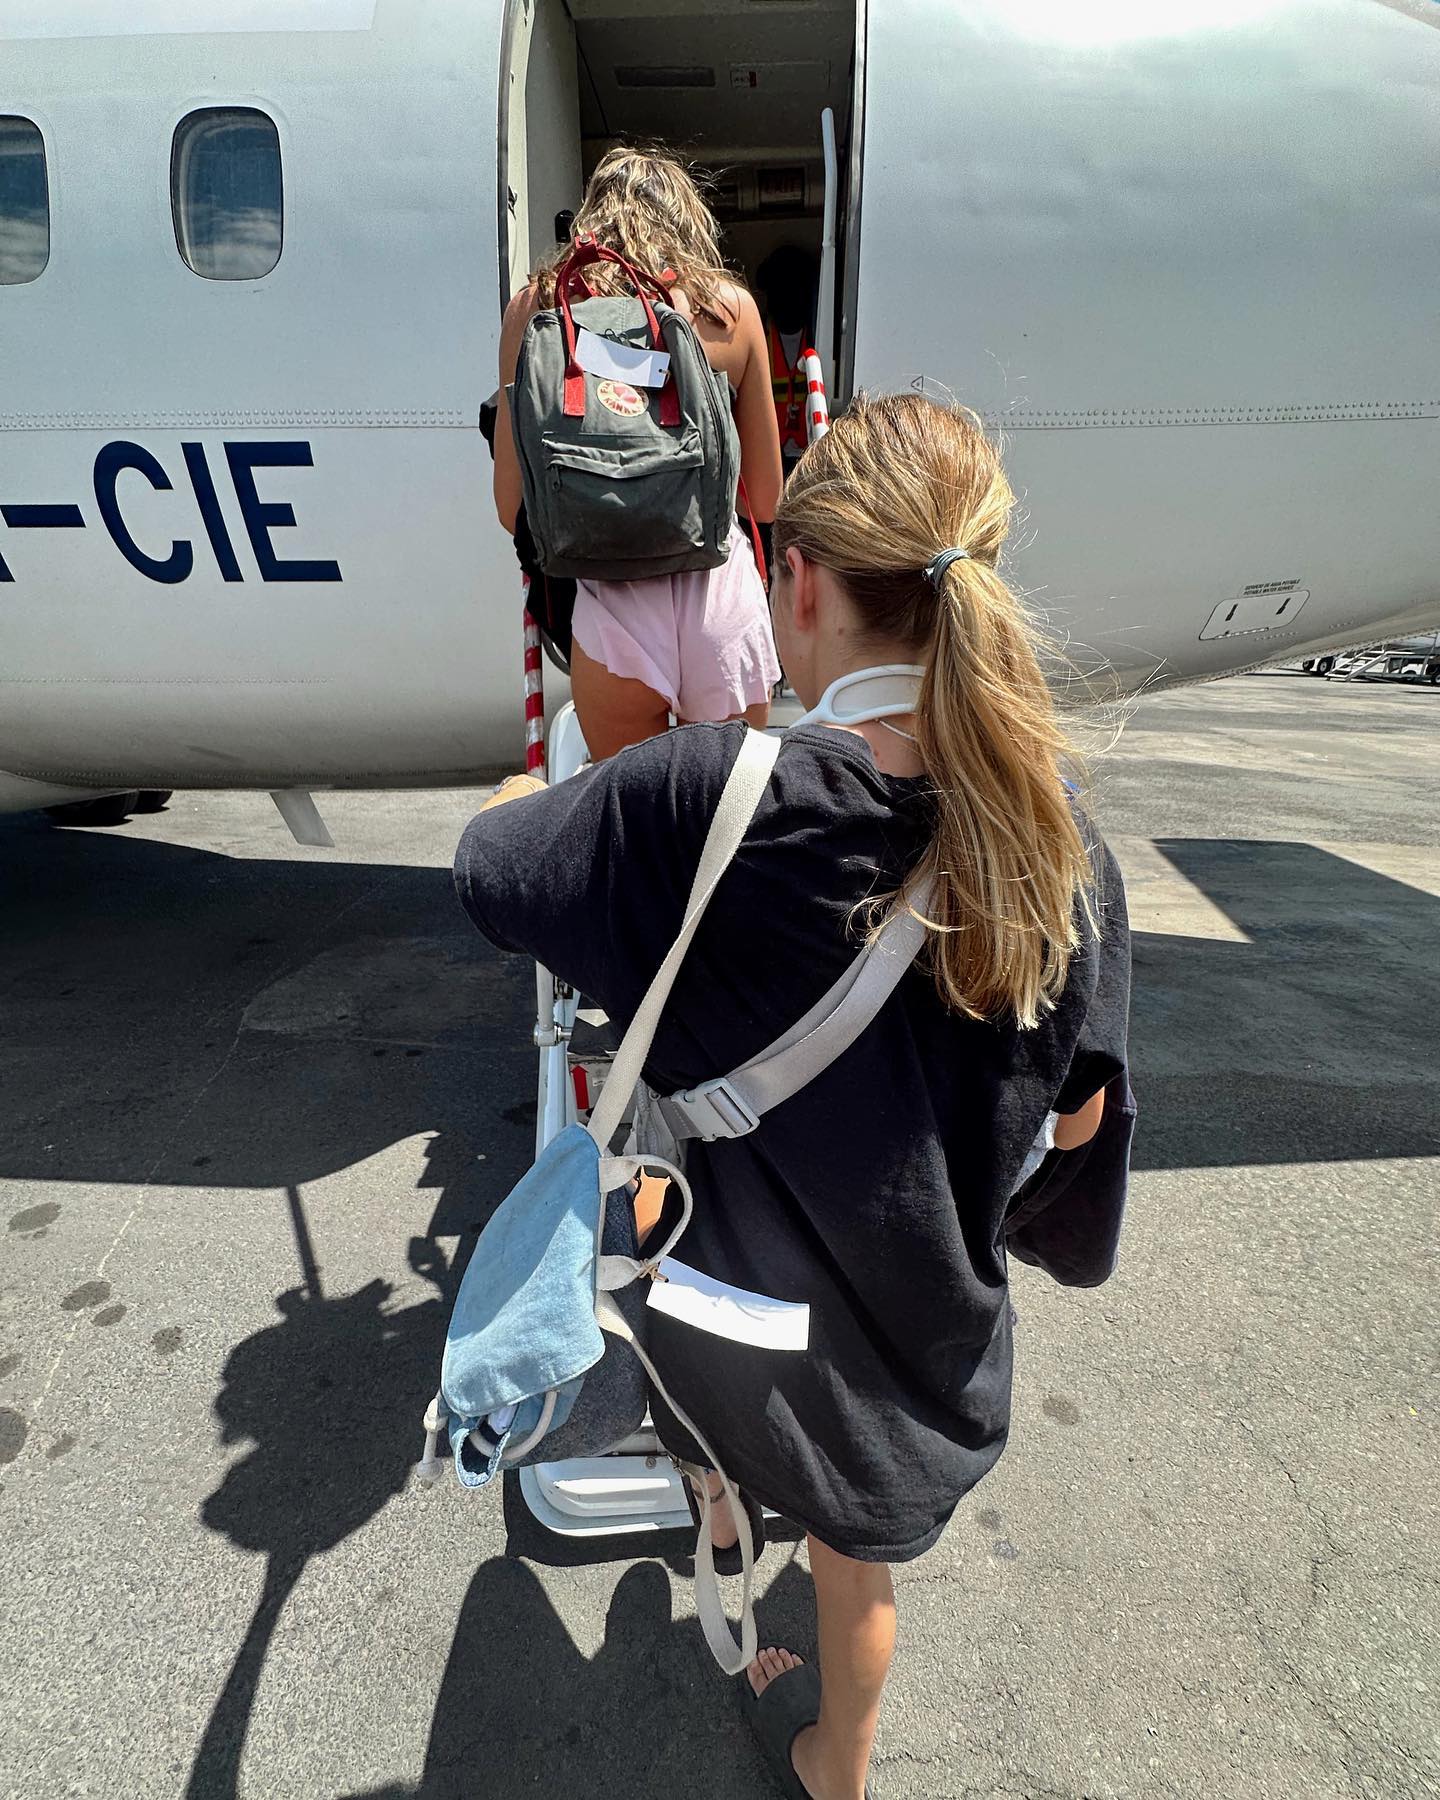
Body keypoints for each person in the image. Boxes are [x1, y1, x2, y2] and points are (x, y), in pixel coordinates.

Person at [456, 392, 1133, 1800]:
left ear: (801, 581)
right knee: (857, 1563)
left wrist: (566, 793)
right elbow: (1078, 1118)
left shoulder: (696, 797)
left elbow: (490, 873)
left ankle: (712, 1520)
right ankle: (840, 1766)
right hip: (909, 1343)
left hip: (725, 1319)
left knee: (689, 1374)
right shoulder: (1067, 854)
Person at [492, 147, 785, 760]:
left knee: (637, 836)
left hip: (610, 606)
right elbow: (765, 494)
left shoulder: (539, 310)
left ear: (590, 218)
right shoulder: (730, 312)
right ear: (688, 220)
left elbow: (510, 504)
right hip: (719, 594)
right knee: (727, 830)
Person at [756, 243, 820, 475]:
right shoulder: (757, 335)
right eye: (780, 288)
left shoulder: (820, 334)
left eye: (794, 288)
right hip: (770, 456)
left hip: (812, 454)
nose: (787, 296)